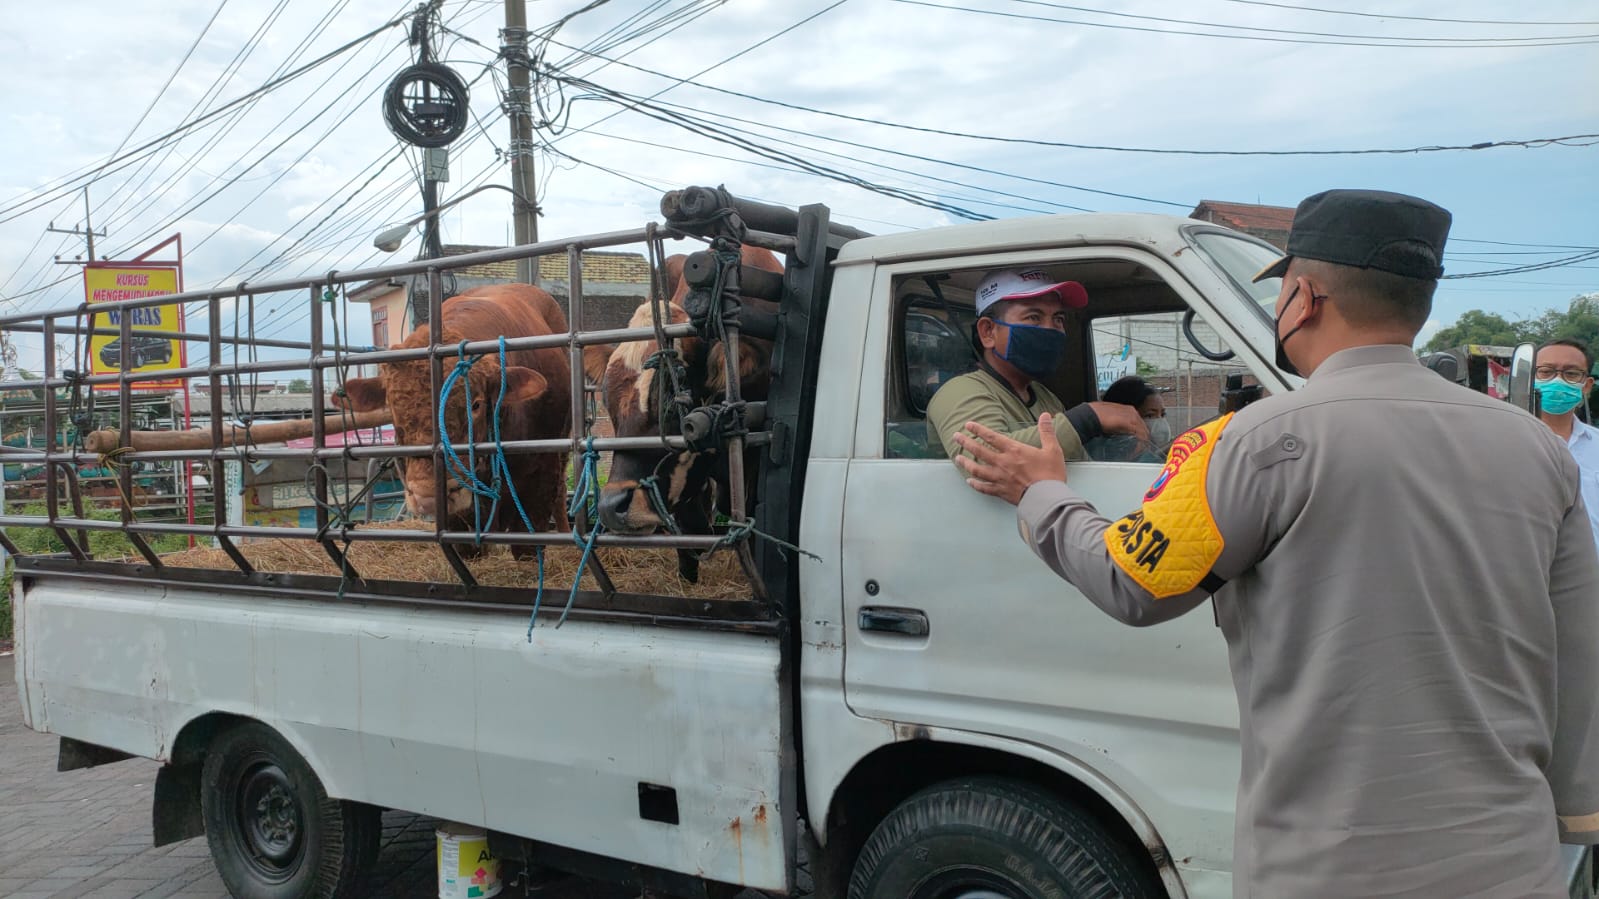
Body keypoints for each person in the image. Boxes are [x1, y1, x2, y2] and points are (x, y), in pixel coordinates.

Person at [951, 189, 1599, 897]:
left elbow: (1129, 581)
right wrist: (1576, 811)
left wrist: (1041, 492)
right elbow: (1578, 649)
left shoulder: (1250, 442)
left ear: (1304, 296)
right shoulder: (1539, 449)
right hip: (1513, 860)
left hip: (1322, 867)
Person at [925, 268, 1148, 465]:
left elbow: (1075, 462)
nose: (1050, 330)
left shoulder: (1045, 398)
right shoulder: (959, 391)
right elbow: (986, 458)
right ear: (988, 332)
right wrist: (1090, 417)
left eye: (1058, 319)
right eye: (1034, 317)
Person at [1536, 338, 1599, 540]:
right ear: (1530, 378)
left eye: (1571, 374)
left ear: (1587, 385)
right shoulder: (1507, 443)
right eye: (1546, 371)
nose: (1558, 381)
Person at [1099, 375, 1172, 461]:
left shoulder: (1164, 456)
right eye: (1150, 415)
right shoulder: (1104, 455)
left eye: (1162, 415)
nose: (1160, 422)